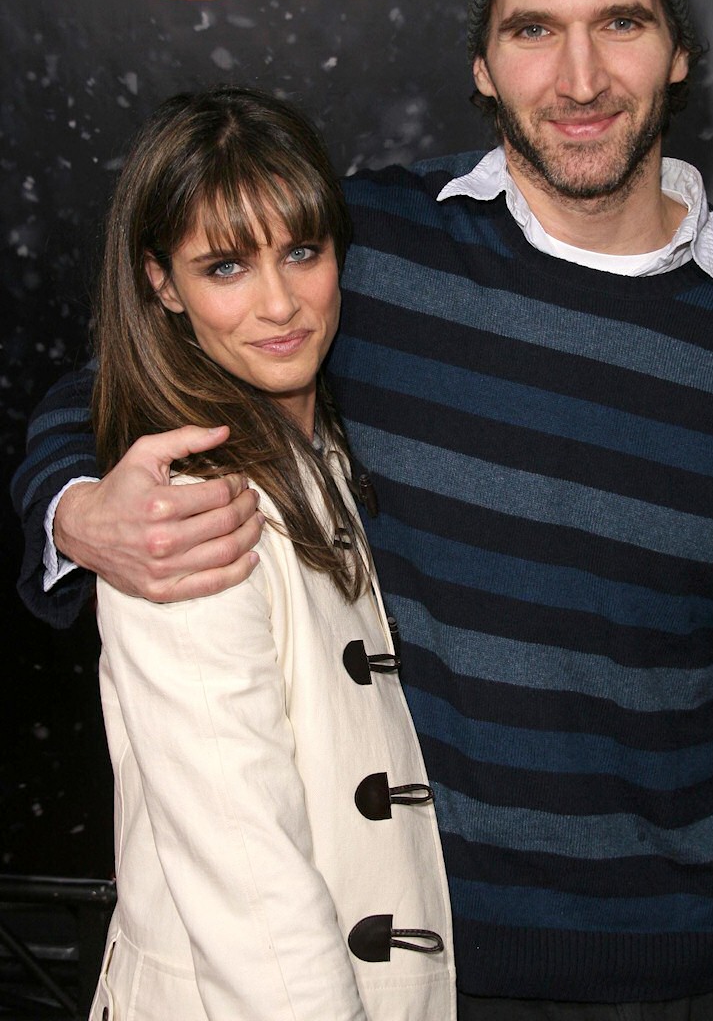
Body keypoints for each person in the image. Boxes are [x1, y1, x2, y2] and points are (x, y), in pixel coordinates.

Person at [13, 0, 713, 1020]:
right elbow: (130, 372)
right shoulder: (368, 251)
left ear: (679, 47)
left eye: (620, 24)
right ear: (482, 65)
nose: (578, 78)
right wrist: (77, 511)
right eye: (533, 31)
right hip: (429, 972)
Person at [79, 85, 456, 1021]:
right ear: (162, 283)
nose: (281, 304)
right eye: (226, 267)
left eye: (302, 251)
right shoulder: (181, 520)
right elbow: (248, 879)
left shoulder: (324, 446)